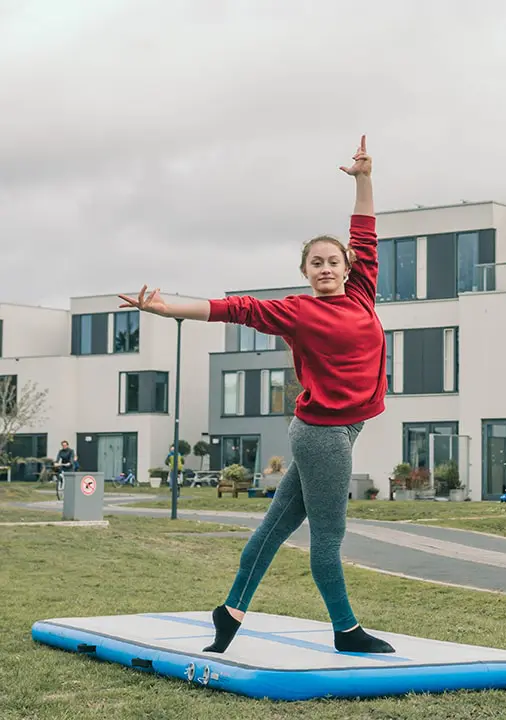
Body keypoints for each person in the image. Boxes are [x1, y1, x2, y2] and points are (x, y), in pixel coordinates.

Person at [118, 135, 393, 655]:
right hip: (323, 435)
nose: (327, 268)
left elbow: (366, 230)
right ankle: (346, 630)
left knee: (274, 527)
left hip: (339, 429)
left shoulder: (362, 291)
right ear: (305, 272)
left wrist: (362, 179)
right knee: (328, 537)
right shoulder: (297, 311)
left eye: (334, 260)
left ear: (348, 266)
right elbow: (232, 309)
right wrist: (166, 308)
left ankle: (230, 611)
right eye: (316, 263)